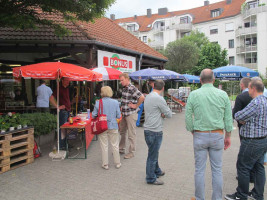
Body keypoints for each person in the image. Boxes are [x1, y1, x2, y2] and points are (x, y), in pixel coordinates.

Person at [185, 69, 232, 200]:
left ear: (200, 80)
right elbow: (228, 118)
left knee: (199, 170)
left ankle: (199, 197)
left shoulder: (194, 94)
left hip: (200, 135)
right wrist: (228, 136)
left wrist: (192, 130)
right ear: (214, 80)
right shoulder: (223, 94)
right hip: (217, 136)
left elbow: (188, 116)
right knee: (217, 170)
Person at [225, 80, 267, 200]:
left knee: (243, 167)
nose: (248, 91)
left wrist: (244, 119)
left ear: (253, 88)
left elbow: (238, 115)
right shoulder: (265, 100)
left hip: (251, 141)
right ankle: (258, 194)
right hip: (263, 139)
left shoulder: (256, 103)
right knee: (259, 167)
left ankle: (241, 195)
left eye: (249, 88)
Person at [144, 80, 172, 185]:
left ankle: (157, 170)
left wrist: (161, 113)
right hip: (155, 130)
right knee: (152, 155)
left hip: (147, 130)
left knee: (153, 152)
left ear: (153, 86)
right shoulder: (159, 99)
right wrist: (163, 114)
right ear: (163, 88)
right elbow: (169, 114)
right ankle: (151, 178)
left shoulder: (148, 96)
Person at [92, 86, 121, 170]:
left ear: (102, 93)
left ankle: (105, 164)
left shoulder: (98, 102)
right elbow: (118, 115)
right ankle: (117, 163)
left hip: (102, 126)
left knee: (104, 145)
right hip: (113, 125)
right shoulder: (116, 102)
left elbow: (94, 115)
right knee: (115, 145)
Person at [119, 73, 145, 159]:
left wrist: (136, 106)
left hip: (131, 114)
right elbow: (125, 100)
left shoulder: (132, 88)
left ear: (127, 79)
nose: (121, 82)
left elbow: (142, 97)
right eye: (120, 80)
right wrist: (122, 107)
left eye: (122, 80)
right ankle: (121, 148)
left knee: (131, 134)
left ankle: (131, 152)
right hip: (124, 114)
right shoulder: (124, 88)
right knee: (122, 132)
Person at [50, 77, 71, 150]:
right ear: (62, 81)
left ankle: (65, 144)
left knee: (66, 129)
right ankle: (62, 145)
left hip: (67, 111)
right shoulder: (59, 88)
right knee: (62, 129)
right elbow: (51, 98)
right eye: (66, 80)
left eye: (68, 80)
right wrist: (57, 106)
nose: (68, 82)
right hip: (63, 112)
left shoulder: (67, 88)